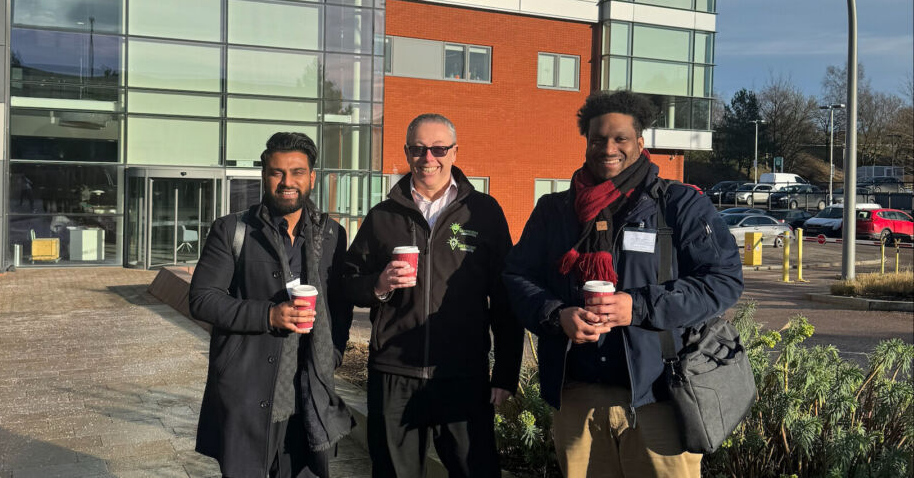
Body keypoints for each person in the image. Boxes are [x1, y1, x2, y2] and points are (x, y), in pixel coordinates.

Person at [503, 91, 743, 478]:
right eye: (598, 139)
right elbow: (516, 277)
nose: (608, 148)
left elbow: (723, 280)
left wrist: (641, 306)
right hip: (578, 398)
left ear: (640, 143)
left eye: (620, 139)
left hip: (659, 397)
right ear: (586, 142)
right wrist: (555, 315)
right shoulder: (555, 211)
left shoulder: (679, 205)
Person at [343, 113, 523, 478]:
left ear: (455, 152)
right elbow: (347, 280)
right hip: (394, 374)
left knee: (477, 471)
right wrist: (378, 285)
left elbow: (505, 296)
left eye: (439, 148)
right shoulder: (383, 216)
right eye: (418, 149)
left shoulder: (483, 213)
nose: (429, 158)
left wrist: (505, 372)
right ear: (407, 152)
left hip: (462, 374)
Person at [189, 132, 353, 478]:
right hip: (247, 392)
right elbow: (203, 299)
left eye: (297, 172)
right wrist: (268, 314)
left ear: (312, 177)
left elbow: (340, 303)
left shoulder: (331, 234)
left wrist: (334, 351)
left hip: (310, 396)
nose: (287, 182)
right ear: (265, 175)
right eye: (277, 172)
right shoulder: (233, 230)